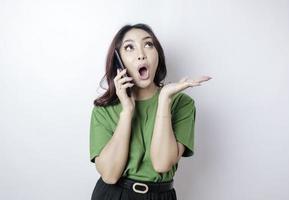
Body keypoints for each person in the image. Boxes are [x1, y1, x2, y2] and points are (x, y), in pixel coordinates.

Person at [89, 23, 212, 200]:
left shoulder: (182, 104)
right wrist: (127, 112)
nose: (141, 55)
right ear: (118, 60)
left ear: (158, 55)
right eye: (129, 47)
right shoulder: (104, 109)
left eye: (148, 44)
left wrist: (164, 100)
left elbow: (162, 164)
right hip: (113, 195)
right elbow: (109, 175)